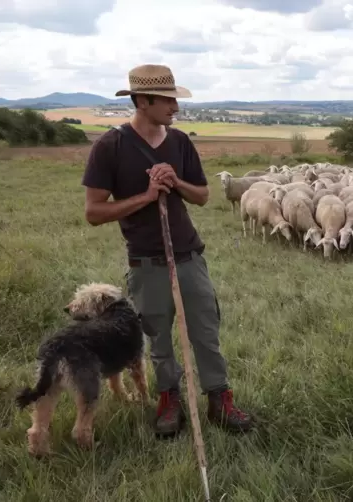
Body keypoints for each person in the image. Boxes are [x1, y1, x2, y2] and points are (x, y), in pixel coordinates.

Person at [80, 64, 253, 437]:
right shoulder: (111, 146)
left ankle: (219, 401)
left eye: (176, 99)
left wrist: (175, 182)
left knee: (205, 332)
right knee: (157, 337)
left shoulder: (180, 142)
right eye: (168, 100)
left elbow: (204, 196)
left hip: (188, 255)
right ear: (143, 101)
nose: (176, 107)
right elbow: (93, 212)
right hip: (146, 261)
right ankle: (168, 400)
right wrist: (145, 196)